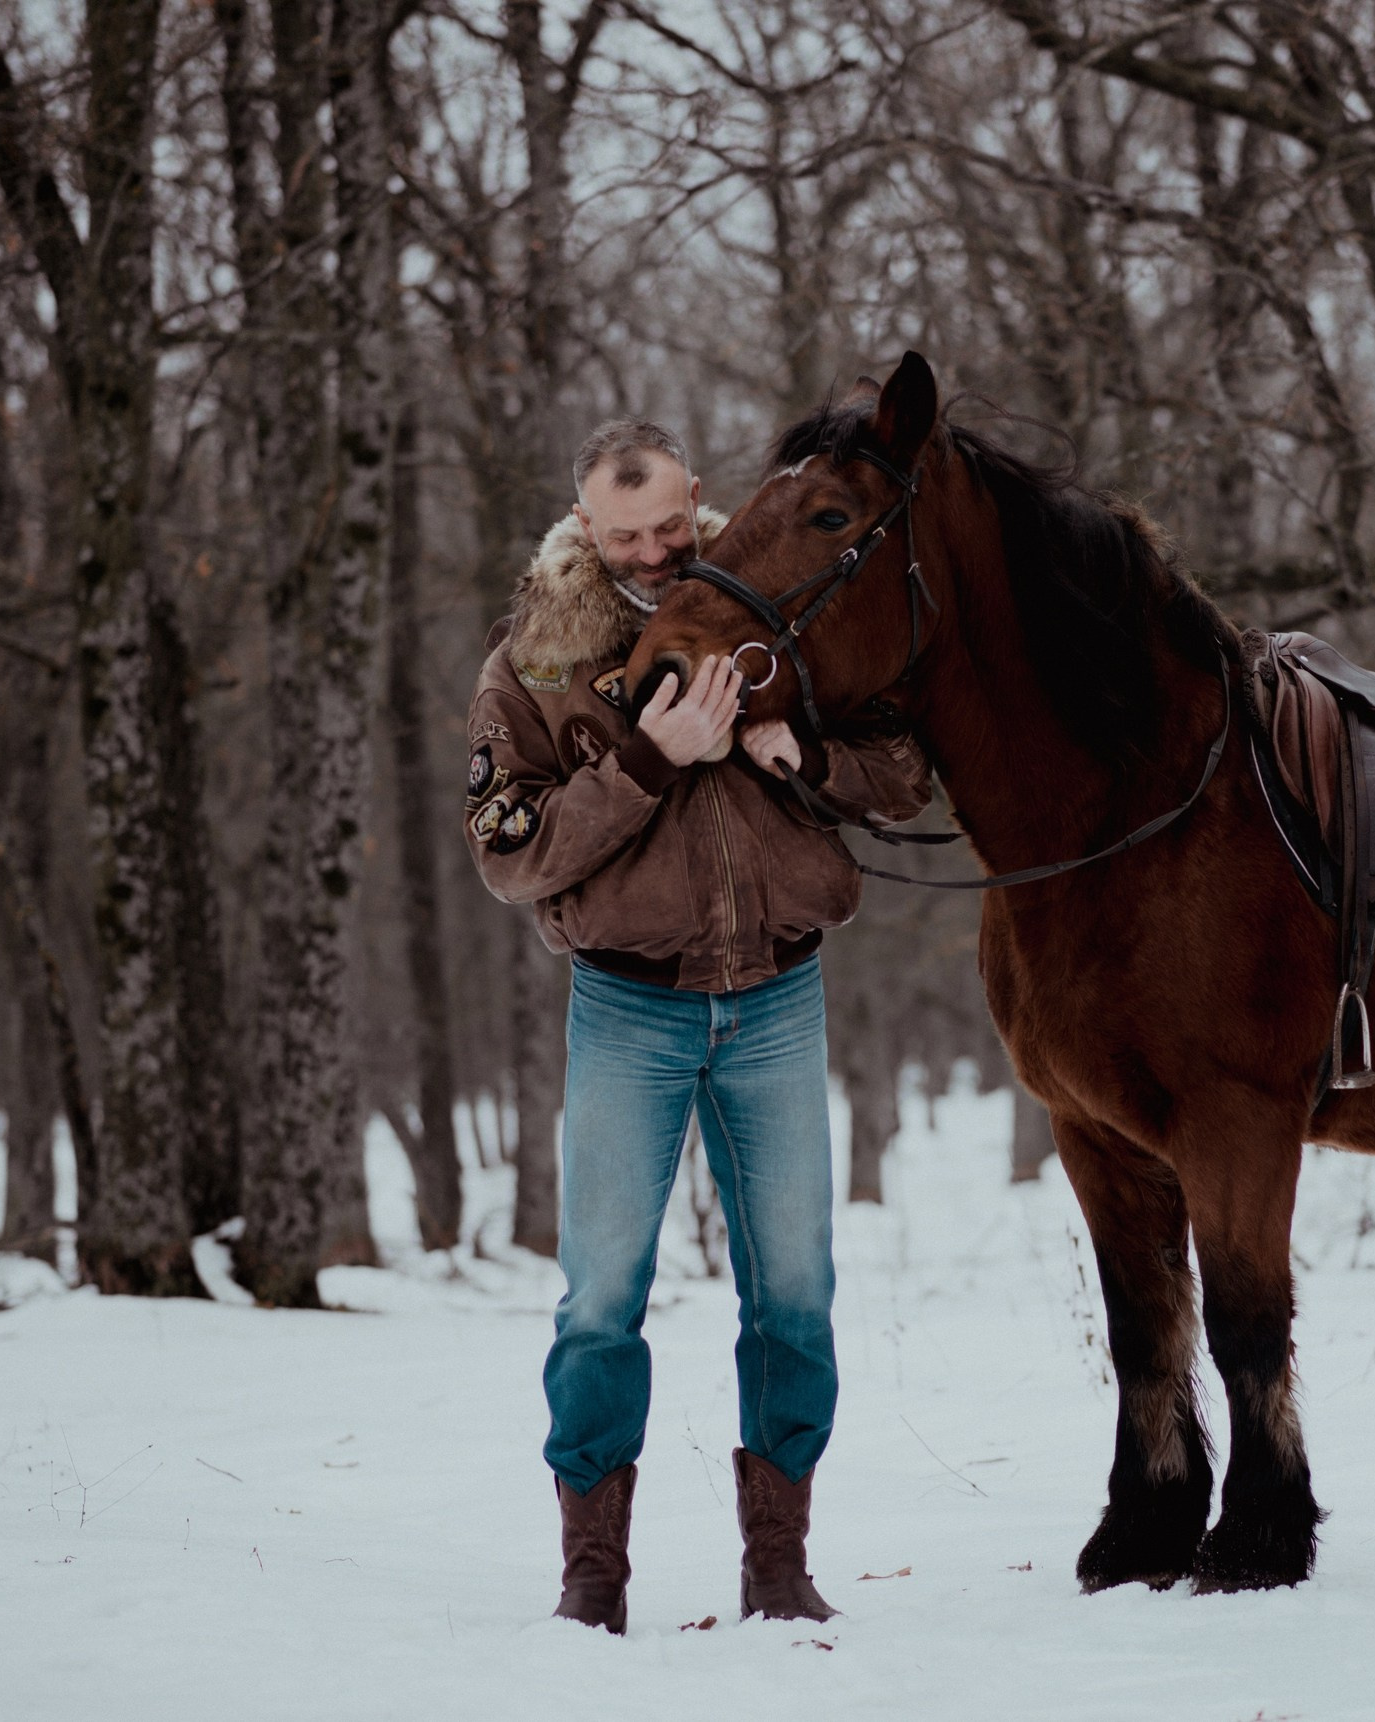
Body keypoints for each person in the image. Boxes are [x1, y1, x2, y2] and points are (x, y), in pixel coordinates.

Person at [464, 419, 931, 1633]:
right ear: (584, 527)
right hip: (629, 1006)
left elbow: (905, 771)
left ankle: (778, 1563)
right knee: (600, 1300)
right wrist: (645, 759)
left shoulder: (786, 604)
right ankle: (593, 1578)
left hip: (777, 998)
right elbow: (507, 856)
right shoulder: (535, 661)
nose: (652, 551)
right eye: (623, 534)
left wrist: (803, 758)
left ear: (700, 500)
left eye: (670, 524)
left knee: (795, 1295)